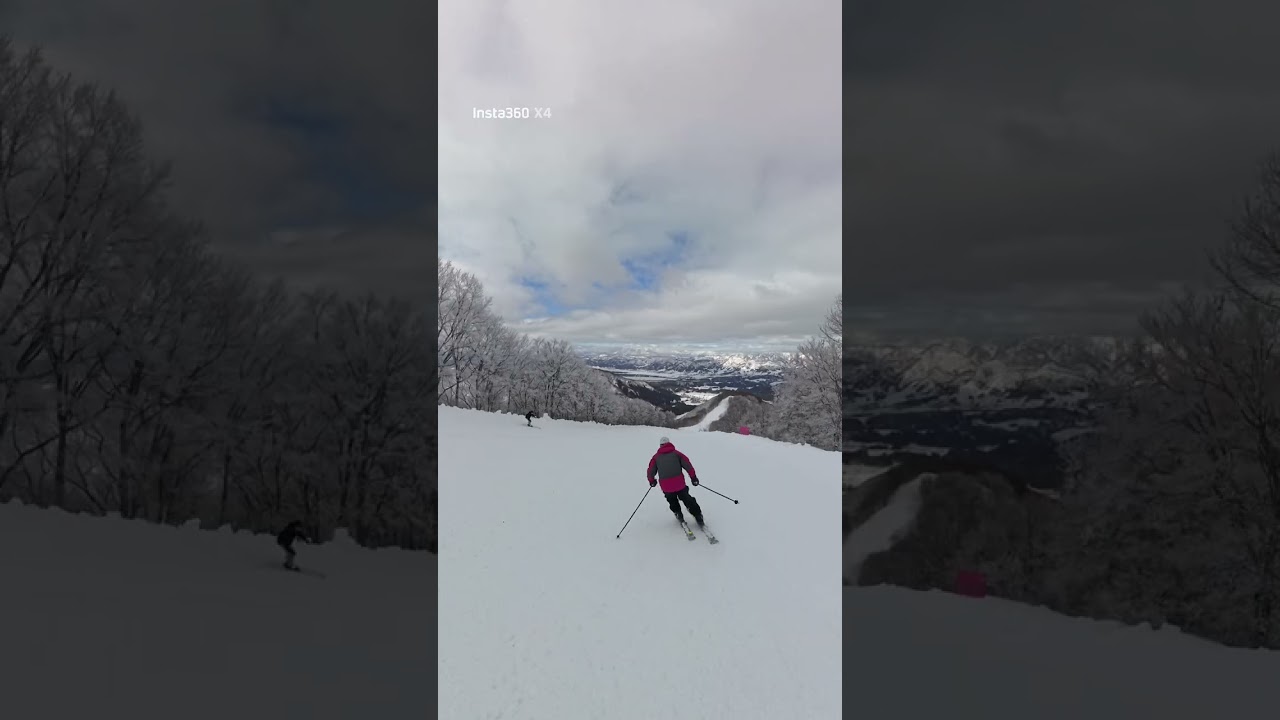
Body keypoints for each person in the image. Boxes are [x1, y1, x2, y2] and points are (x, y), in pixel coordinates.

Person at [646, 436, 705, 526]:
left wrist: (652, 480)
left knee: (672, 500)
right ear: (669, 443)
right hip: (679, 484)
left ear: (660, 445)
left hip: (666, 486)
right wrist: (693, 477)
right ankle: (697, 515)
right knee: (687, 498)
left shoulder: (656, 457)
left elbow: (651, 470)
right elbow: (688, 465)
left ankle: (678, 514)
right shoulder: (677, 454)